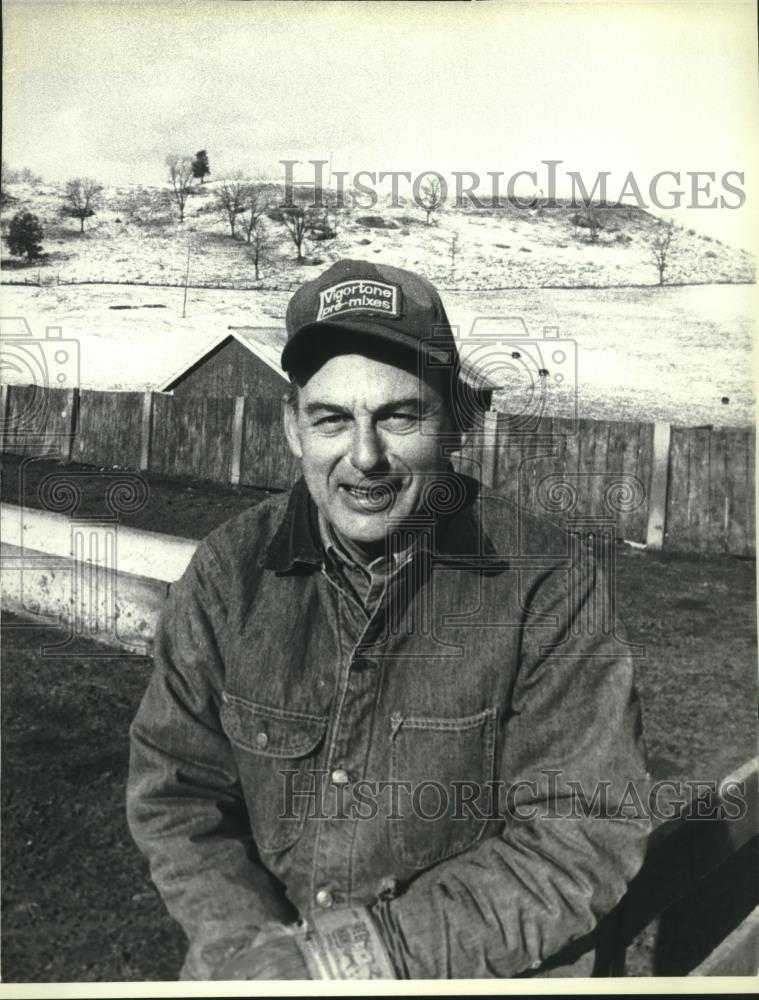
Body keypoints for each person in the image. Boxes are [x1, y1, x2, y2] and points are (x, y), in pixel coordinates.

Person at [126, 258, 651, 981]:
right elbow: (176, 794)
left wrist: (348, 959)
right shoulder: (228, 573)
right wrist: (245, 947)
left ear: (453, 423)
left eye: (399, 415)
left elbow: (581, 835)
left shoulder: (547, 587)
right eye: (332, 418)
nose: (363, 457)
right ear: (292, 428)